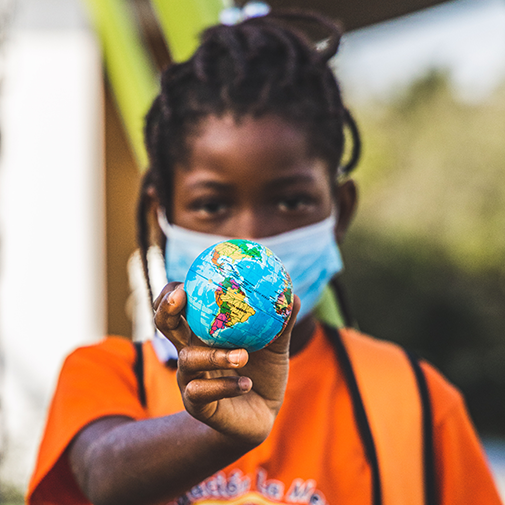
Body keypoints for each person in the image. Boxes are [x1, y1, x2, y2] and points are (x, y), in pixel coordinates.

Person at [27, 7, 502, 505]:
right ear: (160, 216)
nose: (251, 241)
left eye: (291, 201)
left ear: (338, 213)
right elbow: (101, 478)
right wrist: (217, 433)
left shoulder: (419, 404)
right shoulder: (108, 375)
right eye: (212, 205)